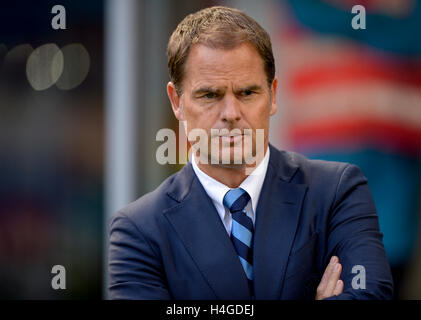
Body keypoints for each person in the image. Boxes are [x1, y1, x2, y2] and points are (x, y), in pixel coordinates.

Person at [108, 6, 393, 300]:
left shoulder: (337, 192)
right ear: (176, 101)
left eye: (247, 93)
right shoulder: (139, 230)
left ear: (273, 95)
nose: (231, 113)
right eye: (210, 95)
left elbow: (369, 294)